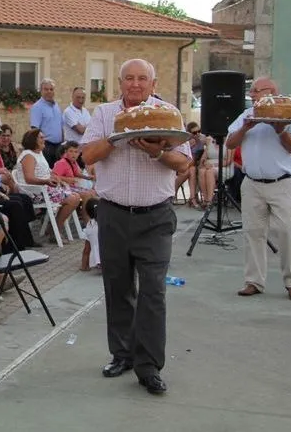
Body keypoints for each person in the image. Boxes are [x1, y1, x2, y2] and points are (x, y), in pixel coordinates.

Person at [81, 58, 192, 396]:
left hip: (155, 217)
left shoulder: (167, 113)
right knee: (117, 288)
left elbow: (185, 161)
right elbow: (87, 156)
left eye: (142, 78)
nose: (135, 84)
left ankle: (149, 367)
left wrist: (158, 152)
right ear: (120, 82)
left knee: (153, 292)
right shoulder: (104, 114)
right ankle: (122, 354)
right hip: (113, 214)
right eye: (129, 78)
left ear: (152, 83)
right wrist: (119, 136)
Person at [226, 77, 291, 301]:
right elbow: (230, 143)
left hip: (281, 183)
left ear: (271, 92)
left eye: (255, 91)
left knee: (287, 231)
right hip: (252, 183)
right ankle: (253, 281)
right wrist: (245, 128)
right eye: (251, 91)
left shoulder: (290, 113)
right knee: (253, 233)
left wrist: (280, 130)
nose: (251, 95)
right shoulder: (247, 114)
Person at [16, 129, 82, 239]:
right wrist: (46, 181)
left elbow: (46, 171)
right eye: (41, 138)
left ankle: (53, 228)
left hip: (45, 189)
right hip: (35, 193)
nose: (44, 139)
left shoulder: (39, 153)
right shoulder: (28, 155)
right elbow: (29, 178)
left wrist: (55, 177)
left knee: (75, 196)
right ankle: (54, 230)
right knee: (72, 199)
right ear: (33, 140)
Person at [29, 79, 64, 167]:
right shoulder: (37, 107)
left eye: (51, 89)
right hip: (46, 146)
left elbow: (61, 126)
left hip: (59, 147)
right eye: (46, 89)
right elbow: (34, 130)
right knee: (47, 175)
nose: (49, 91)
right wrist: (39, 147)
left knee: (58, 173)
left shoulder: (56, 106)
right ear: (41, 91)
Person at [80, 198, 101, 271]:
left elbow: (86, 250)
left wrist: (83, 266)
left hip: (97, 261)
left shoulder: (89, 226)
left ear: (88, 213)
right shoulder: (107, 223)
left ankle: (88, 266)